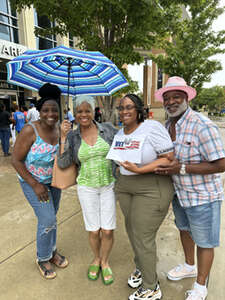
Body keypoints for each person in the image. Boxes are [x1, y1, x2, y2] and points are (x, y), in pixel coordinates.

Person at [154, 76, 225, 300]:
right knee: (184, 230)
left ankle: (201, 286)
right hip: (180, 194)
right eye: (167, 98)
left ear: (186, 98)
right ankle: (189, 265)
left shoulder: (202, 125)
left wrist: (182, 168)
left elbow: (221, 163)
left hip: (203, 196)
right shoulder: (167, 126)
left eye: (176, 97)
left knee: (204, 241)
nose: (171, 102)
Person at [108, 94, 174, 300]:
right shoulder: (120, 132)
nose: (124, 111)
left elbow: (169, 158)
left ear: (138, 110)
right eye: (121, 108)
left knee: (143, 236)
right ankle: (142, 268)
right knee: (132, 231)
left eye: (129, 107)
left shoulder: (152, 127)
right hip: (126, 186)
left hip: (151, 186)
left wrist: (140, 169)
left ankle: (151, 286)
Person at [57, 95, 118, 285]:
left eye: (87, 110)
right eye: (80, 111)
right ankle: (97, 258)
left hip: (108, 185)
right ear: (75, 114)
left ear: (93, 112)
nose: (84, 115)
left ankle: (105, 261)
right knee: (94, 230)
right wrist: (63, 137)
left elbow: (126, 144)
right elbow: (63, 162)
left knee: (107, 230)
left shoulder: (108, 129)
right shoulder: (73, 136)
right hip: (86, 188)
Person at [11, 83, 68, 280]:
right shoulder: (29, 131)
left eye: (54, 110)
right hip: (31, 181)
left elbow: (63, 157)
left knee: (52, 216)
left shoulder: (60, 129)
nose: (50, 113)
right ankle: (42, 257)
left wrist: (65, 138)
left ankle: (52, 251)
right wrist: (35, 185)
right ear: (39, 112)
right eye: (46, 110)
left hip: (53, 181)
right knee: (47, 219)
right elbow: (15, 160)